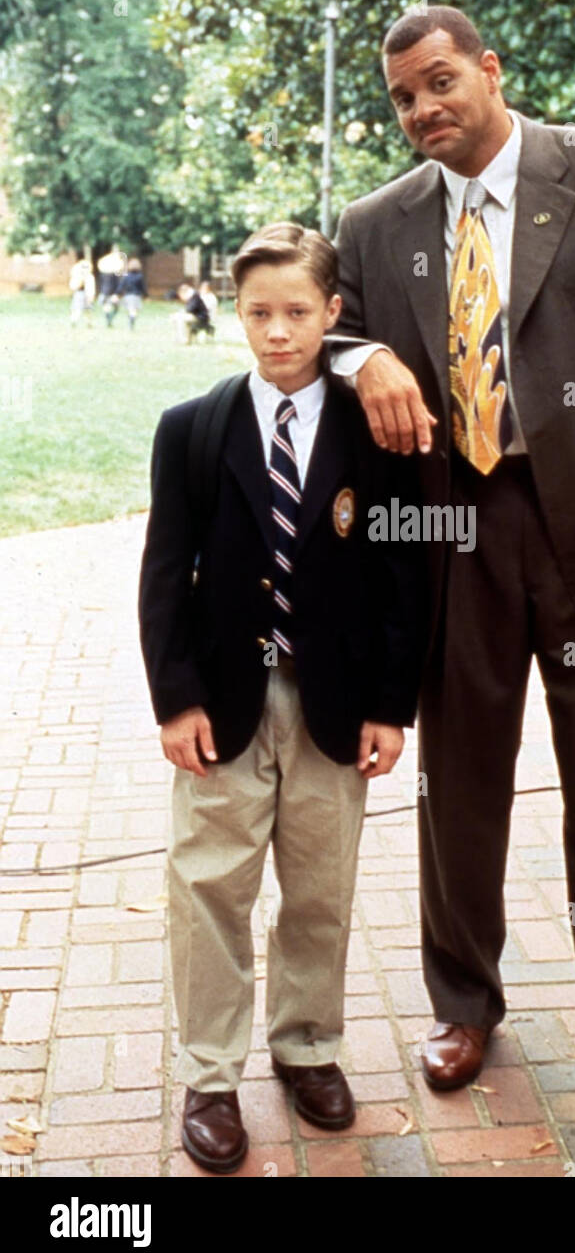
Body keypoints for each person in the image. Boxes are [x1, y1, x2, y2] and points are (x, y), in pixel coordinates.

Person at [325, 5, 575, 1161]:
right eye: (403, 98)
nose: (423, 111)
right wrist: (371, 358)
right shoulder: (376, 222)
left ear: (492, 68)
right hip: (453, 536)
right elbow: (327, 332)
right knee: (459, 790)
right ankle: (465, 1006)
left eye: (441, 82)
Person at [138, 221, 425, 1174]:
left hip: (334, 698)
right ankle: (210, 1073)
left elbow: (402, 574)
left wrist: (391, 703)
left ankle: (308, 1048)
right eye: (257, 312)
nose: (275, 332)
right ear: (237, 311)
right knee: (209, 883)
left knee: (318, 885)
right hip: (224, 700)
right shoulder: (193, 427)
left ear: (333, 313)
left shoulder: (370, 432)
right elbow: (163, 573)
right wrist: (176, 698)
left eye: (297, 311)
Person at [97, 245, 124, 327]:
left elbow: (100, 281)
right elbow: (117, 282)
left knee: (107, 306)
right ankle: (109, 320)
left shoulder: (104, 270)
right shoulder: (115, 270)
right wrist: (117, 293)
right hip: (112, 291)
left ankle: (108, 320)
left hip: (104, 290)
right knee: (115, 307)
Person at [116, 256, 147, 329]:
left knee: (130, 310)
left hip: (128, 296)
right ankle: (131, 323)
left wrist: (117, 294)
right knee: (134, 310)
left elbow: (121, 286)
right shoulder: (140, 276)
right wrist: (146, 295)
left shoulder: (126, 276)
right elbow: (143, 287)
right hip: (136, 296)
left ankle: (131, 321)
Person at [68, 257, 95, 328]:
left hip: (87, 294)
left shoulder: (90, 277)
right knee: (77, 309)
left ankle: (89, 323)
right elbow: (72, 286)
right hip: (79, 293)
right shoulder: (77, 276)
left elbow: (91, 287)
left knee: (88, 310)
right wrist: (79, 282)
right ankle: (73, 321)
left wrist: (91, 296)